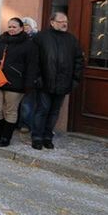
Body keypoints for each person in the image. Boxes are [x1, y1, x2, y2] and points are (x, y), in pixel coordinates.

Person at [31, 12, 84, 150]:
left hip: (63, 84)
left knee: (54, 112)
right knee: (42, 110)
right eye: (61, 21)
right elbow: (33, 61)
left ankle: (47, 137)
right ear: (52, 22)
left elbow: (79, 61)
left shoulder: (71, 39)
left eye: (66, 21)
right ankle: (37, 137)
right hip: (44, 83)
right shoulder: (41, 37)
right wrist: (37, 79)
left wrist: (74, 80)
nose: (64, 24)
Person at [0, 17, 39, 147]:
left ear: (21, 28)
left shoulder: (29, 44)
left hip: (16, 83)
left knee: (11, 111)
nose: (11, 29)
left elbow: (32, 66)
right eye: (9, 26)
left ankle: (6, 137)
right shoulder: (0, 41)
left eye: (14, 27)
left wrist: (28, 84)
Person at [17, 17, 40, 134]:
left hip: (30, 75)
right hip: (18, 74)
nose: (25, 28)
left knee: (27, 102)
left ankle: (26, 124)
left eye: (27, 26)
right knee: (17, 101)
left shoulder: (36, 40)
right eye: (23, 25)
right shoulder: (18, 39)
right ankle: (17, 122)